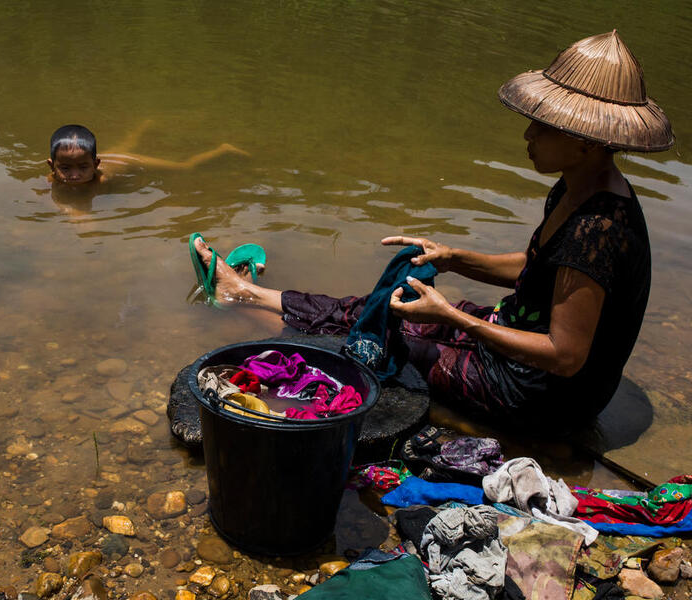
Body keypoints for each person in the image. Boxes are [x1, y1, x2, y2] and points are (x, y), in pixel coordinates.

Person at [190, 31, 673, 425]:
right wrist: (450, 256)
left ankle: (237, 311)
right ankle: (248, 296)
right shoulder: (576, 186)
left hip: (540, 394)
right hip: (512, 340)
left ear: (587, 142)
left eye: (544, 127)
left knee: (377, 345)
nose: (529, 134)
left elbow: (565, 356)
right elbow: (538, 269)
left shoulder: (599, 228)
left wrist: (455, 319)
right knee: (382, 309)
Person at [47, 122, 247, 214]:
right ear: (52, 166)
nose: (74, 175)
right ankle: (143, 127)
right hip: (109, 157)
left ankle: (223, 149)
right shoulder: (55, 177)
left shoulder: (100, 181)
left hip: (127, 162)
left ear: (95, 165)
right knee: (127, 143)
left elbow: (80, 207)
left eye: (83, 168)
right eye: (65, 168)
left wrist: (75, 214)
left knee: (184, 167)